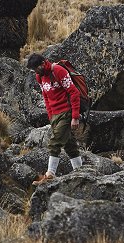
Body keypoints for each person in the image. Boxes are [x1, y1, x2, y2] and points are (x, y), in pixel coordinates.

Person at [26, 53, 83, 185]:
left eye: (36, 68)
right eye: (34, 70)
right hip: (55, 115)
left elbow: (74, 93)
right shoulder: (39, 76)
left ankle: (50, 175)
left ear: (43, 63)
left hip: (66, 111)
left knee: (55, 142)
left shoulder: (59, 71)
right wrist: (51, 116)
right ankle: (80, 172)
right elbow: (46, 97)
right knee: (69, 145)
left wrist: (75, 117)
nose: (36, 72)